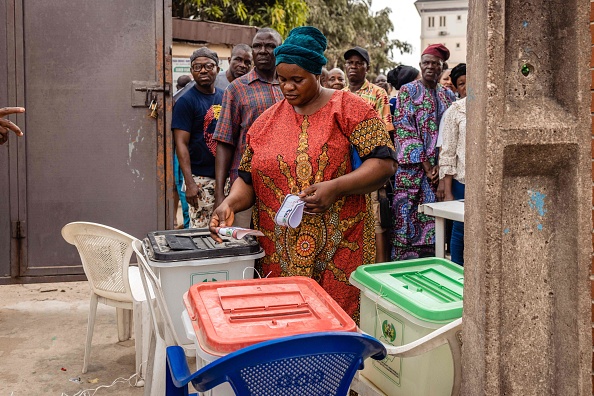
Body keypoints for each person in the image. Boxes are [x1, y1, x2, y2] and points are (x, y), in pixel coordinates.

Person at [209, 26, 397, 320]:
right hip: (278, 253)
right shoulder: (265, 122)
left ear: (318, 75)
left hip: (339, 250)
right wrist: (229, 203)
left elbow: (384, 164)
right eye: (282, 80)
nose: (288, 87)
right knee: (285, 326)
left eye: (297, 80)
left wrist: (336, 187)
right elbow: (247, 179)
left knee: (333, 326)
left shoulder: (350, 108)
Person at [213, 28, 284, 228]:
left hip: (284, 187)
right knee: (243, 244)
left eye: (270, 46)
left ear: (280, 50)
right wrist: (220, 194)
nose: (263, 50)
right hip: (244, 186)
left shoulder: (290, 86)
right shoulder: (236, 89)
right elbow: (224, 142)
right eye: (257, 46)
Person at [391, 44, 456, 260]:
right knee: (407, 223)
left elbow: (451, 134)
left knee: (435, 224)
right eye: (426, 63)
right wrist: (427, 166)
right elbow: (404, 128)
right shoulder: (408, 91)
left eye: (435, 64)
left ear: (442, 67)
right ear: (420, 65)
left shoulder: (448, 96)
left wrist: (441, 167)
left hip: (439, 174)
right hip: (413, 172)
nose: (430, 67)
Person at [344, 46, 394, 263]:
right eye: (350, 63)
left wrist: (384, 171)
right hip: (345, 167)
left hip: (370, 163)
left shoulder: (377, 93)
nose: (353, 67)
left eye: (358, 63)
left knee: (376, 221)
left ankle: (380, 269)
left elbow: (386, 132)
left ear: (367, 67)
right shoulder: (339, 96)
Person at [172, 47, 224, 228]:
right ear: (192, 71)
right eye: (197, 67)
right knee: (201, 234)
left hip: (223, 178)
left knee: (222, 231)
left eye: (208, 66)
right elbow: (181, 144)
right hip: (200, 180)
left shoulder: (223, 97)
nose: (203, 70)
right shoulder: (186, 101)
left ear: (218, 68)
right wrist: (190, 183)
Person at [438, 63, 467, 265]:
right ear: (456, 88)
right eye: (461, 83)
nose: (467, 86)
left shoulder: (492, 108)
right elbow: (447, 153)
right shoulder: (454, 112)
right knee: (460, 230)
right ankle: (457, 270)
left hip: (486, 181)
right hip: (461, 181)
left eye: (470, 80)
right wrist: (448, 191)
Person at [173, 75, 193, 229]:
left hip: (180, 153)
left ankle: (184, 225)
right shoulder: (186, 99)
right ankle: (185, 225)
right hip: (185, 153)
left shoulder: (178, 99)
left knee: (181, 189)